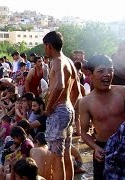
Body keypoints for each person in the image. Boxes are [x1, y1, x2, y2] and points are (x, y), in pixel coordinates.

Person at [79, 55, 125, 180]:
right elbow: (83, 132)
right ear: (90, 74)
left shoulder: (122, 92)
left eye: (110, 70)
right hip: (103, 149)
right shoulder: (85, 102)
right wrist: (95, 147)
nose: (107, 74)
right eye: (101, 71)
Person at [43, 31, 81, 180]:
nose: (44, 50)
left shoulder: (58, 60)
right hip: (67, 108)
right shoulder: (70, 61)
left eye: (44, 46)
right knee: (66, 153)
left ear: (49, 46)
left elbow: (59, 85)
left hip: (59, 110)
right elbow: (77, 91)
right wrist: (68, 106)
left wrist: (49, 107)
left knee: (56, 157)